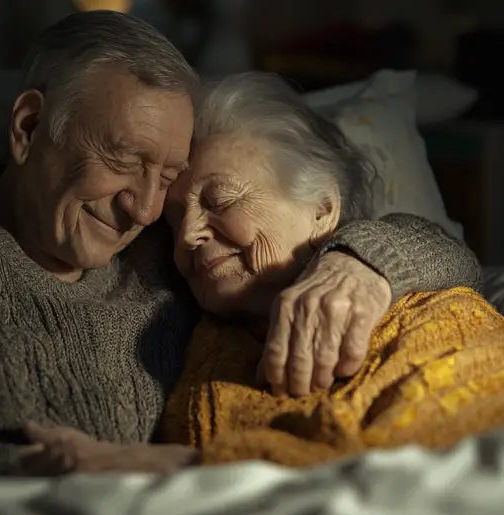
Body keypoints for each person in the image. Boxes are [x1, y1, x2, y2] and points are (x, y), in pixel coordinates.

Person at [0, 13, 479, 514]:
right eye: (124, 160)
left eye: (170, 175)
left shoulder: (171, 265)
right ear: (29, 129)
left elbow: (456, 261)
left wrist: (360, 261)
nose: (145, 207)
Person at [157, 72, 504, 467]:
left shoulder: (425, 314)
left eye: (220, 200)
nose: (186, 235)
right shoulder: (195, 347)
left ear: (322, 207)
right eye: (172, 220)